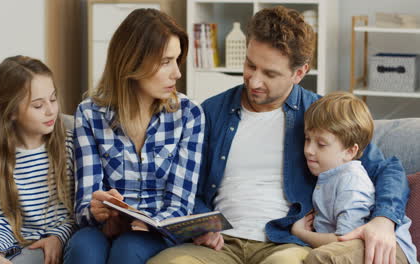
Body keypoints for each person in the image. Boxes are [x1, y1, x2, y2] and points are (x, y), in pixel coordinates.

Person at [149, 6, 409, 264]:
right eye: (250, 65)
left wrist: (383, 220)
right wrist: (202, 224)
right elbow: (186, 185)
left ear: (299, 73)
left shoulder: (320, 115)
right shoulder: (211, 111)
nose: (254, 81)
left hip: (285, 243)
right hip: (219, 245)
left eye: (270, 74)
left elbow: (388, 169)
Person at [63, 8, 205, 264]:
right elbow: (84, 203)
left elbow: (180, 205)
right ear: (133, 61)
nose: (177, 73)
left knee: (128, 249)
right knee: (84, 248)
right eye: (165, 62)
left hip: (156, 229)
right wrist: (97, 210)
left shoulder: (189, 115)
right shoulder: (89, 114)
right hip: (105, 227)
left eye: (176, 60)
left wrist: (146, 223)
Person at [0, 55, 75, 264]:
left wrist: (58, 237)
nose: (51, 110)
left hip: (43, 242)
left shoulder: (67, 147)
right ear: (11, 111)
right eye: (38, 105)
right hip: (3, 239)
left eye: (53, 99)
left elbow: (73, 212)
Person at [287, 91, 417, 263]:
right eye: (307, 139)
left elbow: (343, 240)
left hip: (385, 250)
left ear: (350, 151)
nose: (309, 150)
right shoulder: (328, 174)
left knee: (321, 258)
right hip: (352, 246)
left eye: (321, 144)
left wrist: (301, 233)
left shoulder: (351, 182)